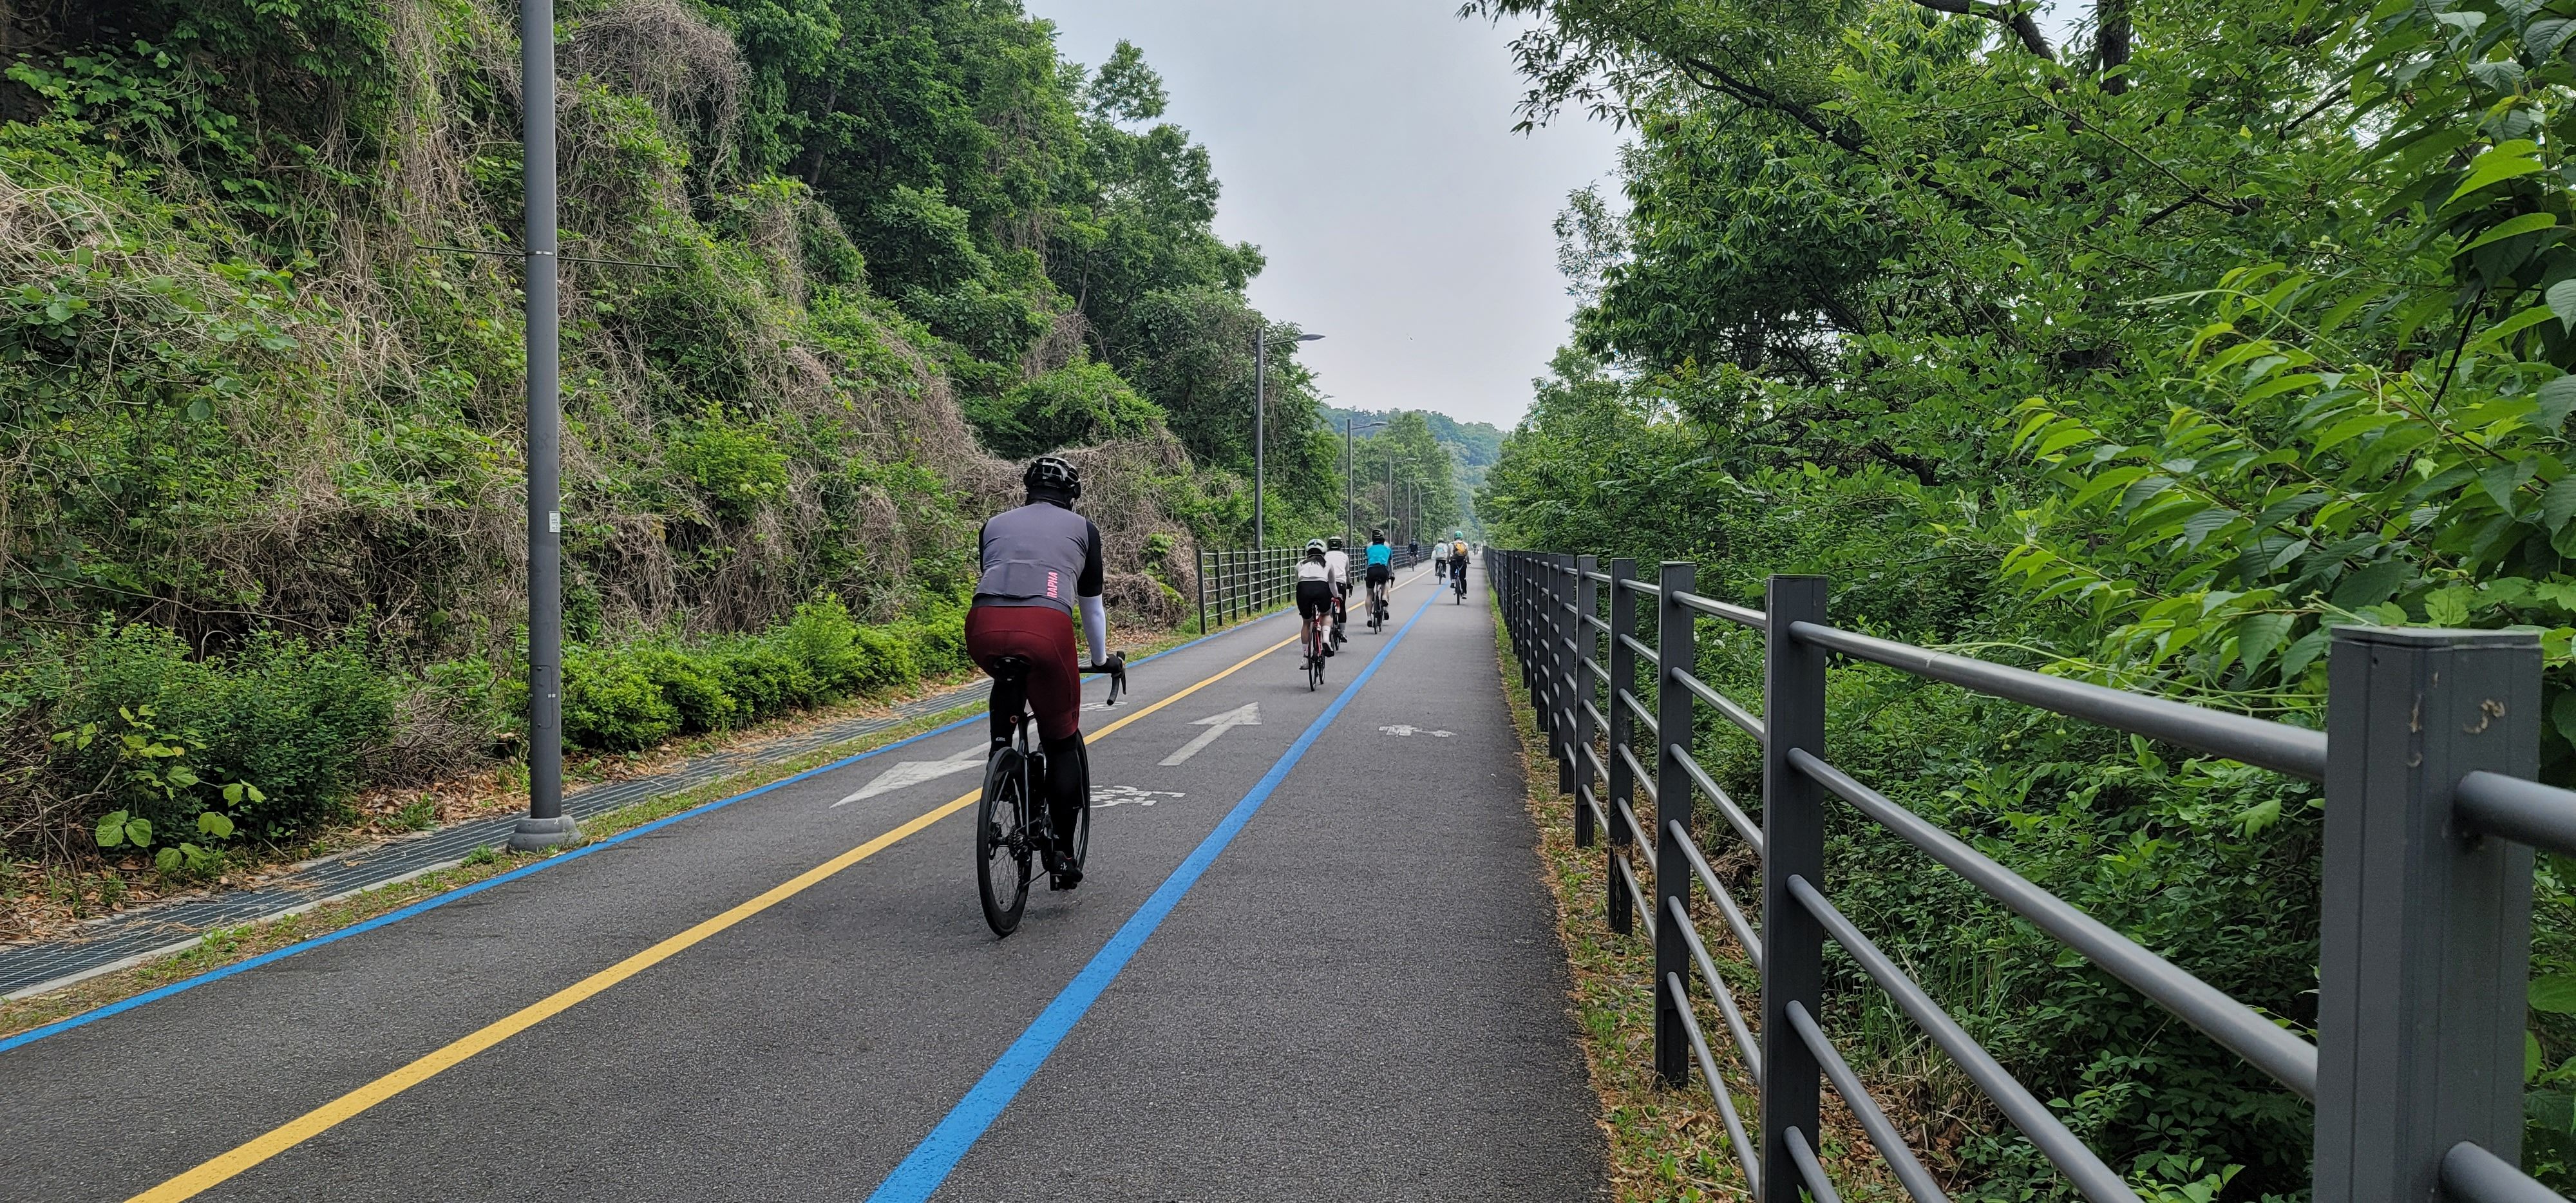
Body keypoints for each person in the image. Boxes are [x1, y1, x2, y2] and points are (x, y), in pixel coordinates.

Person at [967, 456, 1111, 889]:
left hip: (983, 626)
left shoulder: (993, 524)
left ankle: (1000, 756)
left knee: (1008, 674)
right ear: (1072, 495)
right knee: (1061, 741)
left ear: (1026, 492)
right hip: (1046, 627)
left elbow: (997, 577)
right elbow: (1091, 607)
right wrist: (1102, 660)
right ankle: (1064, 854)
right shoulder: (1084, 530)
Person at [1294, 538, 1338, 658]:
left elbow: (1297, 583)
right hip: (1321, 587)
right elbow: (1332, 585)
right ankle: (1325, 639)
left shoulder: (1300, 564)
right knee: (1326, 615)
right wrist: (1337, 597)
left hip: (1303, 589)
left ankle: (1305, 656)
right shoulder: (1328, 564)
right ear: (1324, 552)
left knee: (1306, 622)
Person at [1323, 535, 1352, 641]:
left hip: (1327, 583)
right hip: (1340, 583)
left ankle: (1325, 629)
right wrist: (1349, 584)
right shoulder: (1345, 556)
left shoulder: (1325, 556)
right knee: (1342, 606)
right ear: (1341, 545)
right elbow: (1347, 573)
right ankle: (1342, 633)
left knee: (1325, 607)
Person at [1362, 529, 1394, 621]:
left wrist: (1366, 574)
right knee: (1385, 584)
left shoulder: (1368, 547)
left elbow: (1367, 559)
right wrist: (1391, 574)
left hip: (1371, 570)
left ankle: (1369, 618)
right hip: (1382, 569)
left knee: (1369, 594)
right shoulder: (1388, 547)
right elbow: (1390, 562)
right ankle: (1384, 597)